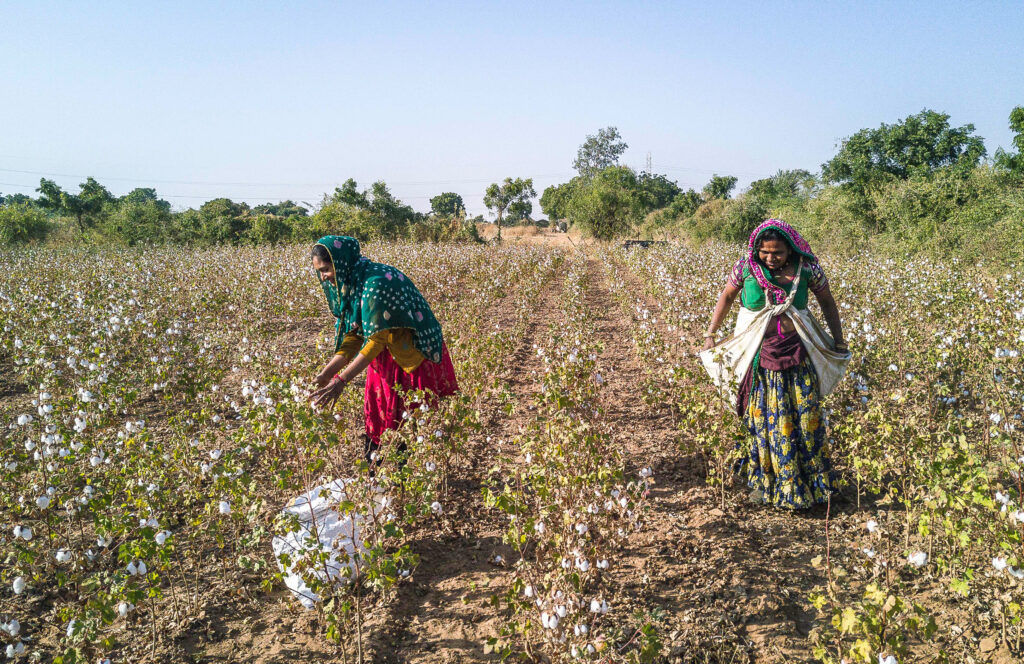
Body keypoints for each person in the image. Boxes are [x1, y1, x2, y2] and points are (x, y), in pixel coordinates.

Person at [702, 220, 846, 509]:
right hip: (758, 357)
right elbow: (727, 297)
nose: (770, 258)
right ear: (756, 249)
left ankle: (810, 484)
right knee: (761, 420)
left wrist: (839, 340)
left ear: (790, 249)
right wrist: (710, 334)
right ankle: (764, 483)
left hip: (797, 353)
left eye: (777, 252)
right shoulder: (745, 267)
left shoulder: (807, 269)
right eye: (765, 252)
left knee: (805, 419)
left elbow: (827, 301)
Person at [308, 236, 458, 464]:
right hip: (385, 354)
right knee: (379, 416)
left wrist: (341, 380)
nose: (323, 277)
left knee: (409, 421)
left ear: (341, 263)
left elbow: (376, 341)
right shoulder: (352, 284)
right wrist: (326, 374)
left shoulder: (375, 283)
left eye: (326, 269)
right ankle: (376, 473)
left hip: (411, 356)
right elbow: (354, 336)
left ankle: (403, 476)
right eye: (319, 271)